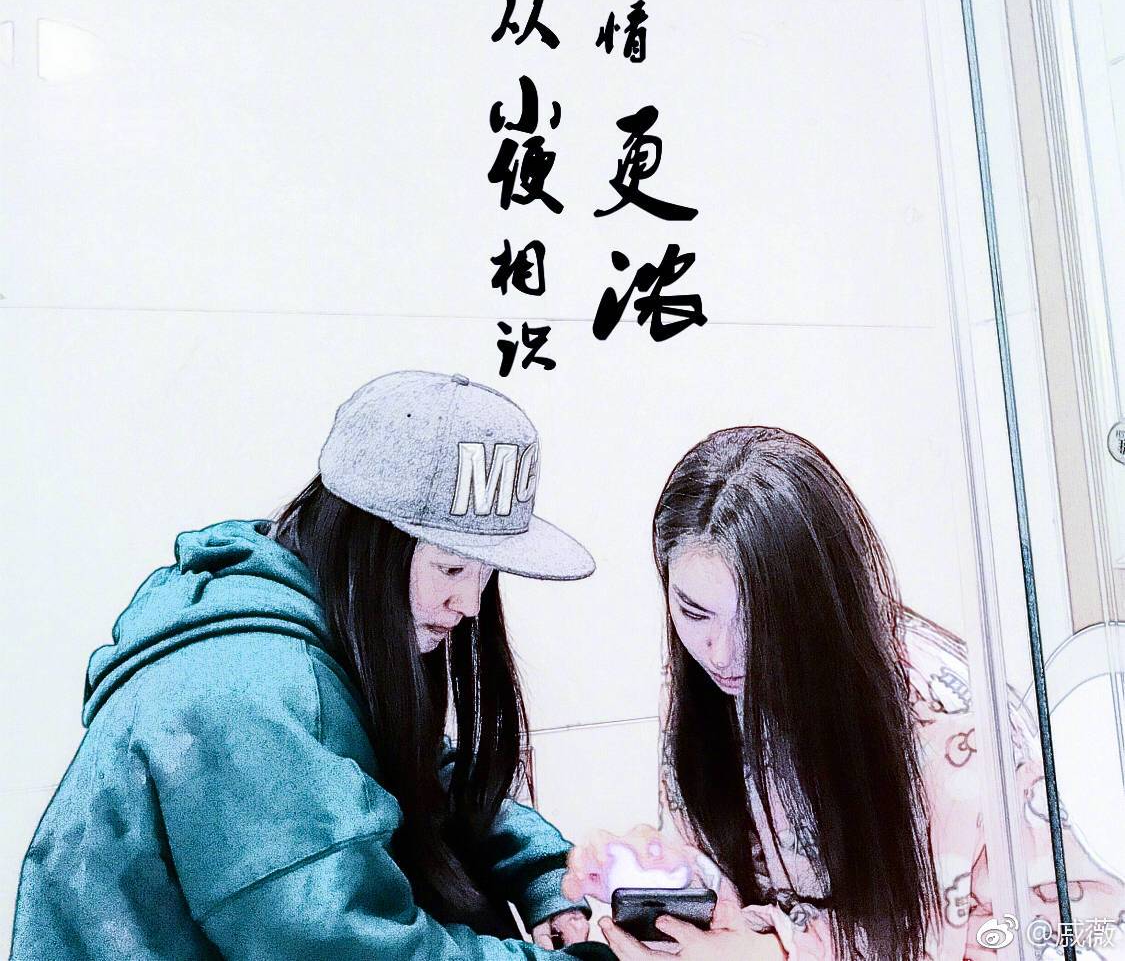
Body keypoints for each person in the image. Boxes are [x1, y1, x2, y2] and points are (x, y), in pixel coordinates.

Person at [11, 370, 613, 960]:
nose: (471, 604)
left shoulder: (304, 621)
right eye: (451, 568)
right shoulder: (249, 696)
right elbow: (348, 944)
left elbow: (420, 769)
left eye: (486, 573)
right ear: (367, 543)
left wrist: (544, 875)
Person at [564, 426, 1125, 961]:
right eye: (694, 612)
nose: (721, 653)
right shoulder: (702, 684)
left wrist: (782, 952)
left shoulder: (945, 725)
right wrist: (668, 871)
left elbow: (999, 935)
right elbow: (743, 880)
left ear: (821, 601)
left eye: (757, 622)